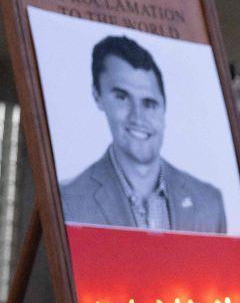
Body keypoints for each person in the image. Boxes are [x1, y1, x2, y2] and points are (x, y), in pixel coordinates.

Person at [60, 35, 226, 233]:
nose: (138, 117)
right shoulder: (69, 201)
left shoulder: (209, 203)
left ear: (164, 108)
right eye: (122, 97)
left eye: (149, 103)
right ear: (98, 97)